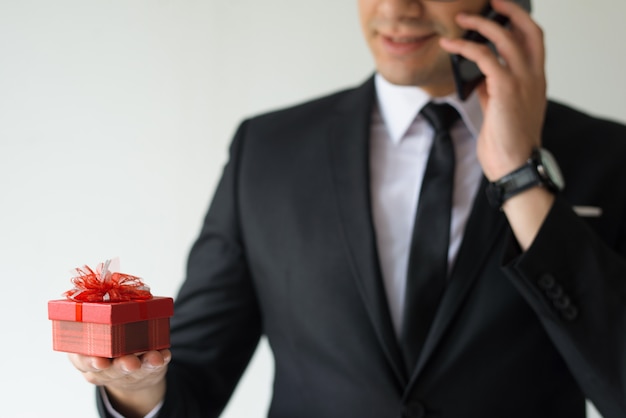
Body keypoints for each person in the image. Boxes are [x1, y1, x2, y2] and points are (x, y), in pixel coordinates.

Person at [70, 0, 626, 417]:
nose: (395, 9)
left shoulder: (606, 156)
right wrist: (135, 388)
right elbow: (193, 380)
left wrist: (519, 177)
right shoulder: (268, 152)